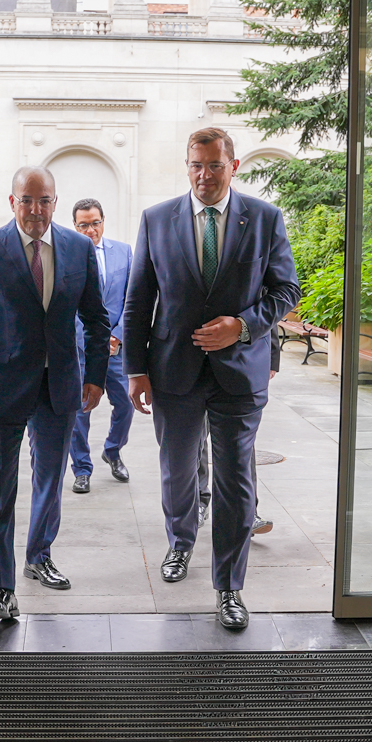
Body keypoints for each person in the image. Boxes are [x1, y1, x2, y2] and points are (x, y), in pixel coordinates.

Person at [125, 127, 300, 631]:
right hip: (172, 370)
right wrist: (135, 369)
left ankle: (229, 586)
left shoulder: (264, 218)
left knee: (235, 480)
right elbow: (139, 300)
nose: (204, 175)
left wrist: (241, 326)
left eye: (215, 166)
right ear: (187, 166)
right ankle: (180, 543)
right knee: (177, 471)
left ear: (233, 166)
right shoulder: (156, 219)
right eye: (196, 165)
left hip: (238, 375)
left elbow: (286, 290)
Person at [0, 166, 110, 620]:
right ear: (12, 202)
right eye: (27, 200)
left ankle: (39, 556)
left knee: (50, 480)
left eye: (45, 201)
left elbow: (96, 319)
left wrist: (95, 376)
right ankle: (1, 589)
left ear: (55, 203)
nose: (36, 210)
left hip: (59, 386)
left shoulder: (79, 248)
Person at [68, 198, 134, 494]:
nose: (90, 230)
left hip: (116, 348)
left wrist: (116, 335)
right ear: (75, 226)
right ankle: (82, 469)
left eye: (95, 223)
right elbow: (65, 304)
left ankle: (113, 449)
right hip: (81, 348)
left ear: (103, 221)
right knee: (80, 411)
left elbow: (133, 299)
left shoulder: (123, 252)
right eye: (83, 225)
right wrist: (92, 339)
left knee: (126, 404)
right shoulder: (67, 255)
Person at [196, 336, 281, 533]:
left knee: (241, 446)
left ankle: (248, 513)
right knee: (195, 440)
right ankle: (198, 503)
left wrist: (272, 358)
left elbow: (269, 318)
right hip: (192, 368)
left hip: (239, 365)